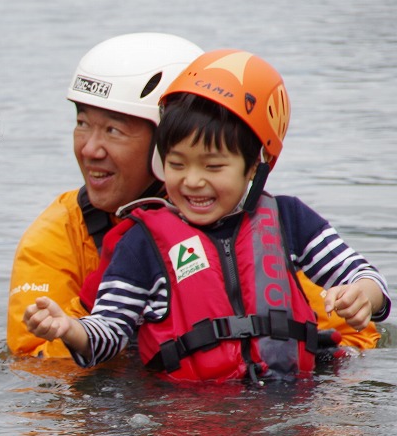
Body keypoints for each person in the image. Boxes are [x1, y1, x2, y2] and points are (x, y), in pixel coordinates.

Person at [23, 49, 391, 383]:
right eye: (177, 164)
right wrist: (71, 330)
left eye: (213, 166)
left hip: (288, 411)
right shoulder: (141, 242)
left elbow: (366, 276)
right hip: (187, 425)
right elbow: (110, 332)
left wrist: (363, 295)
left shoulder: (289, 219)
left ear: (253, 168)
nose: (193, 181)